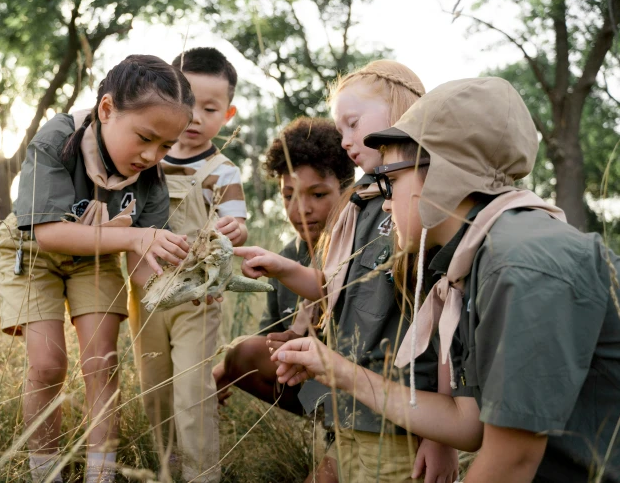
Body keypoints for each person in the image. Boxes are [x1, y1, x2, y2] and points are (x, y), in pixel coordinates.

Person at [271, 76, 620, 482]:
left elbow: (512, 461)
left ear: (442, 176)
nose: (385, 200)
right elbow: (466, 424)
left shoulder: (521, 265)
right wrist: (338, 370)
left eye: (391, 180)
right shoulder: (472, 261)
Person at [235, 61, 458, 483]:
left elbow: (447, 319)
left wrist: (441, 436)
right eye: (341, 130)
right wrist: (282, 267)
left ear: (400, 111)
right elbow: (331, 287)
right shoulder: (358, 203)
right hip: (345, 410)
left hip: (401, 420)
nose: (346, 141)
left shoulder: (426, 202)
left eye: (353, 124)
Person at [0, 55, 194, 483]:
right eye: (145, 137)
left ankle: (99, 476)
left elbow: (144, 268)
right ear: (106, 110)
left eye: (165, 147)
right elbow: (48, 233)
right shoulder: (57, 137)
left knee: (101, 362)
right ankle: (44, 472)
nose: (151, 154)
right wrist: (136, 237)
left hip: (98, 262)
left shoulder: (150, 177)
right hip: (32, 254)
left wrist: (187, 282)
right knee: (48, 364)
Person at [127, 47, 247, 483]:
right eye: (187, 102)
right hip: (147, 296)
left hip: (198, 297)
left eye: (209, 108)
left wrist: (233, 231)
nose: (195, 117)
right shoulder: (143, 160)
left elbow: (236, 224)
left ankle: (201, 474)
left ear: (227, 113)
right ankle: (167, 467)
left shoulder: (222, 170)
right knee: (154, 391)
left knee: (192, 393)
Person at [213, 116, 354, 413]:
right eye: (288, 196)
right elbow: (267, 338)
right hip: (315, 389)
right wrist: (227, 368)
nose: (301, 209)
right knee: (242, 350)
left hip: (366, 386)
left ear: (347, 189)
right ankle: (325, 426)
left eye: (318, 194)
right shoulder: (286, 257)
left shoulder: (362, 249)